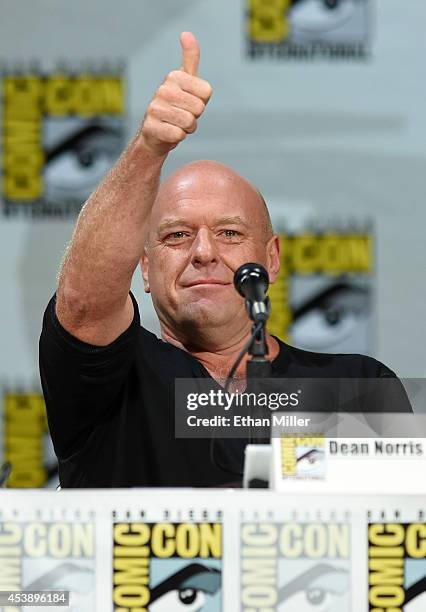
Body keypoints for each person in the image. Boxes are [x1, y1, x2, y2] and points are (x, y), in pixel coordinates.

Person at [39, 33, 405, 489]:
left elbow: (394, 530)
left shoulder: (357, 385)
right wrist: (150, 147)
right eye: (177, 235)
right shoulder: (115, 382)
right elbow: (82, 306)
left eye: (230, 233)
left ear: (271, 259)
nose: (204, 252)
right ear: (146, 270)